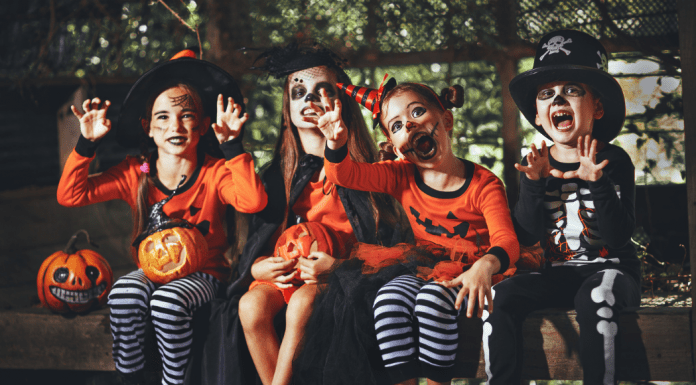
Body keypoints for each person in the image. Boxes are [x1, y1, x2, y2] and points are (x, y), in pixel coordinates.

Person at [181, 41, 410, 385]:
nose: (309, 101)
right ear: (287, 107)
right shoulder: (278, 176)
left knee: (304, 301)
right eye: (299, 92)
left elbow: (391, 249)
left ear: (341, 102)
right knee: (249, 306)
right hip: (286, 276)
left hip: (344, 276)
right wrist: (259, 266)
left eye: (322, 91)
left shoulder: (367, 171)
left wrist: (338, 269)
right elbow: (258, 246)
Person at [57, 50, 268, 385]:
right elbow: (71, 195)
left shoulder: (215, 173)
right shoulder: (135, 174)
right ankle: (130, 378)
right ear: (149, 128)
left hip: (207, 275)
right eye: (164, 117)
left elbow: (253, 201)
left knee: (169, 301)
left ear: (201, 127)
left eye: (187, 116)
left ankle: (175, 381)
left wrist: (232, 147)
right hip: (151, 273)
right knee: (124, 293)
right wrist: (86, 144)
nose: (176, 125)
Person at [310, 75, 520, 384]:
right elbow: (345, 175)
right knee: (387, 302)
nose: (407, 125)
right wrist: (336, 143)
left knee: (431, 302)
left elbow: (507, 240)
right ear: (396, 147)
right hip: (425, 267)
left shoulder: (483, 184)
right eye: (395, 126)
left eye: (416, 112)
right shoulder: (400, 175)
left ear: (445, 119)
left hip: (472, 272)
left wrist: (485, 266)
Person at [483, 29, 641, 384]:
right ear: (539, 116)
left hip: (611, 271)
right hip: (558, 275)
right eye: (547, 95)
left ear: (597, 107)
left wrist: (597, 183)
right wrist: (534, 184)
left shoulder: (612, 160)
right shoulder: (535, 162)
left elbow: (618, 237)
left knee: (598, 295)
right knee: (498, 296)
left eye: (571, 91)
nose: (558, 101)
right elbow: (524, 234)